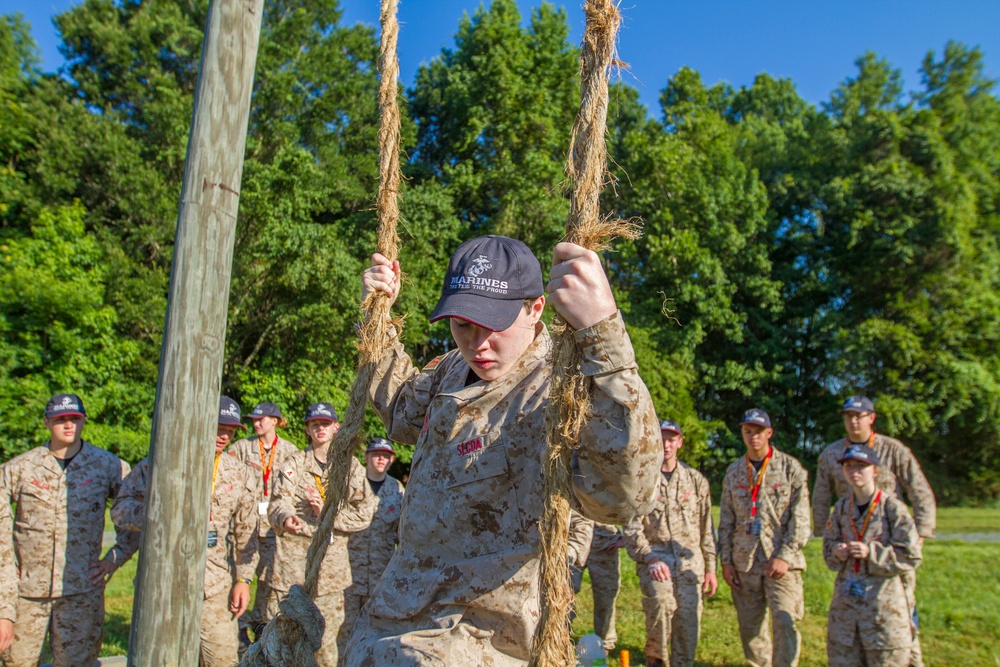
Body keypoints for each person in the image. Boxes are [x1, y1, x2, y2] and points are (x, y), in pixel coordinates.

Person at [346, 234, 661, 665]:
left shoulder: (560, 392)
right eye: (463, 325)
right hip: (394, 621)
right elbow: (403, 408)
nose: (478, 344)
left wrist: (604, 333)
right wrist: (378, 316)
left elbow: (625, 498)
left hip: (486, 639)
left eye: (493, 325)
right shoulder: (453, 370)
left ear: (535, 309)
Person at [111, 397, 259, 667]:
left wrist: (244, 581)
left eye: (230, 430)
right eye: (218, 427)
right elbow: (120, 509)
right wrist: (160, 517)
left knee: (222, 660)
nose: (223, 435)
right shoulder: (162, 463)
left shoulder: (239, 473)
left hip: (215, 586)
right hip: (162, 583)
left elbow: (245, 532)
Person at [0, 394, 133, 667]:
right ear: (47, 422)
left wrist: (116, 557)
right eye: (61, 419)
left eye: (75, 418)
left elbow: (135, 512)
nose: (69, 424)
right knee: (17, 662)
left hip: (81, 592)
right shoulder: (20, 468)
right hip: (28, 593)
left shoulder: (107, 466)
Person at [812, 396, 935, 667]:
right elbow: (821, 494)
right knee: (849, 625)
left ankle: (909, 660)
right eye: (848, 416)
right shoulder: (832, 454)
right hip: (849, 535)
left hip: (887, 540)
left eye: (860, 415)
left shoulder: (893, 450)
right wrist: (825, 538)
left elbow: (919, 489)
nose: (854, 421)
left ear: (871, 417)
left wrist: (921, 532)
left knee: (901, 613)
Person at [267, 403, 371, 666]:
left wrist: (329, 514)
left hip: (330, 575)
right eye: (314, 424)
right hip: (293, 569)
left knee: (325, 647)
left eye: (325, 424)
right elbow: (278, 502)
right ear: (307, 430)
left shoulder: (351, 467)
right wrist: (286, 517)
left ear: (336, 427)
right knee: (284, 643)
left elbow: (364, 514)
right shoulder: (293, 463)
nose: (320, 429)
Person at [718, 408, 810, 667]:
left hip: (780, 563)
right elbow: (726, 521)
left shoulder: (791, 468)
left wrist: (785, 556)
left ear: (769, 433)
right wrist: (726, 561)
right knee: (750, 627)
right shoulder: (734, 471)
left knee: (784, 621)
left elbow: (801, 520)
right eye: (748, 431)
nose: (753, 437)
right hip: (744, 561)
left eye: (758, 431)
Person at [624, 419, 717, 667]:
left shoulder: (696, 481)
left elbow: (706, 528)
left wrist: (710, 568)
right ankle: (657, 659)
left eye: (671, 439)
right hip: (655, 559)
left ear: (680, 442)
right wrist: (650, 557)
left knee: (687, 624)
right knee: (662, 605)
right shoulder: (643, 479)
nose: (666, 444)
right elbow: (632, 526)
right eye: (662, 438)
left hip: (690, 566)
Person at [823, 444, 921, 666]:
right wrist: (837, 552)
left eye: (861, 466)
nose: (854, 471)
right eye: (848, 466)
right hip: (846, 615)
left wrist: (871, 552)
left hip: (883, 612)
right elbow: (828, 550)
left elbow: (911, 555)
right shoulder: (840, 508)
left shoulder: (893, 509)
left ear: (875, 471)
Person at [226, 401, 299, 644]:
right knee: (237, 576)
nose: (257, 423)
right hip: (244, 527)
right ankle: (237, 627)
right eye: (254, 420)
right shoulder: (240, 448)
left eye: (262, 419)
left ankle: (260, 627)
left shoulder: (290, 452)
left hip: (272, 530)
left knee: (268, 582)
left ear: (275, 421)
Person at [343, 437, 406, 644]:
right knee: (344, 631)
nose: (382, 459)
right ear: (366, 457)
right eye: (377, 454)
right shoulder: (351, 486)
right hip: (348, 574)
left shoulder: (398, 491)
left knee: (376, 632)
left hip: (382, 575)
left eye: (386, 455)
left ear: (391, 461)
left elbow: (402, 534)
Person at [570, 522, 622, 654]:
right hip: (573, 540)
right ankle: (557, 637)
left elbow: (631, 505)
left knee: (605, 597)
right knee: (564, 592)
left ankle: (604, 645)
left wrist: (627, 538)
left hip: (604, 545)